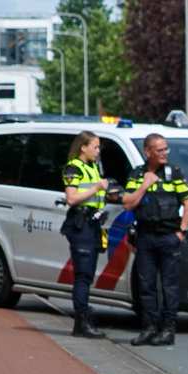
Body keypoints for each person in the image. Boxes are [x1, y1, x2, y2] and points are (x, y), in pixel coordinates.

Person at [122, 133, 188, 346]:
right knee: (146, 286)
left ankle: (168, 330)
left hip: (169, 237)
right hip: (145, 237)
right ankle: (149, 328)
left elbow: (187, 204)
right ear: (148, 152)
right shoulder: (138, 174)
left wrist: (181, 231)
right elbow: (127, 203)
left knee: (169, 286)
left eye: (166, 149)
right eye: (160, 150)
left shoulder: (174, 173)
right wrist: (144, 185)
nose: (164, 153)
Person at [61, 131, 111, 338]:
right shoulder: (73, 167)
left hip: (92, 225)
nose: (98, 151)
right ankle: (81, 323)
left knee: (87, 274)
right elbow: (71, 198)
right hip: (80, 224)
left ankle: (83, 320)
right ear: (83, 147)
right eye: (95, 147)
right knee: (82, 275)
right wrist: (97, 187)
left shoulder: (93, 168)